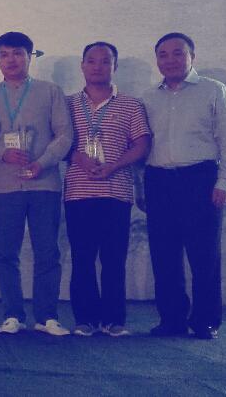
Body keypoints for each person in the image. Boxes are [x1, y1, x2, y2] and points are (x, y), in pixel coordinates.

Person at [142, 32, 226, 340]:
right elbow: (142, 145)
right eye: (163, 55)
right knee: (164, 254)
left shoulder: (214, 90)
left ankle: (205, 321)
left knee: (204, 255)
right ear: (157, 60)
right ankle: (171, 319)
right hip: (158, 180)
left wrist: (225, 180)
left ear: (192, 57)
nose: (170, 60)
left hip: (200, 179)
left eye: (178, 53)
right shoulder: (148, 97)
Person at [0, 31, 73, 336]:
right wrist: (2, 154)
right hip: (3, 184)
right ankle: (12, 315)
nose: (11, 60)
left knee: (47, 252)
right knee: (6, 253)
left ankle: (47, 316)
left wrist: (41, 163)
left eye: (18, 53)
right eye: (4, 55)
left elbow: (65, 135)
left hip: (43, 183)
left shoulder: (50, 91)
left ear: (30, 57)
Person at [64, 42, 150, 337]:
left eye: (105, 61)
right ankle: (85, 319)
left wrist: (114, 165)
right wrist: (78, 158)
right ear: (82, 65)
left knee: (114, 259)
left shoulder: (131, 104)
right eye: (91, 60)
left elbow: (142, 144)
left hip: (116, 191)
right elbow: (58, 143)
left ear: (115, 66)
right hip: (78, 192)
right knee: (82, 258)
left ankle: (114, 319)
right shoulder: (68, 104)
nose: (97, 66)